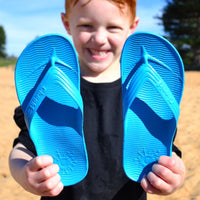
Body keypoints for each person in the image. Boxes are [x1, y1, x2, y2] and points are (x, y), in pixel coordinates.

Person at [9, 0, 185, 199]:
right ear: (67, 23)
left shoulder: (146, 94)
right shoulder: (50, 92)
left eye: (113, 27)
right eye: (86, 26)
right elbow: (22, 148)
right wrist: (24, 174)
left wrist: (174, 174)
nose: (100, 38)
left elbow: (169, 148)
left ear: (132, 27)